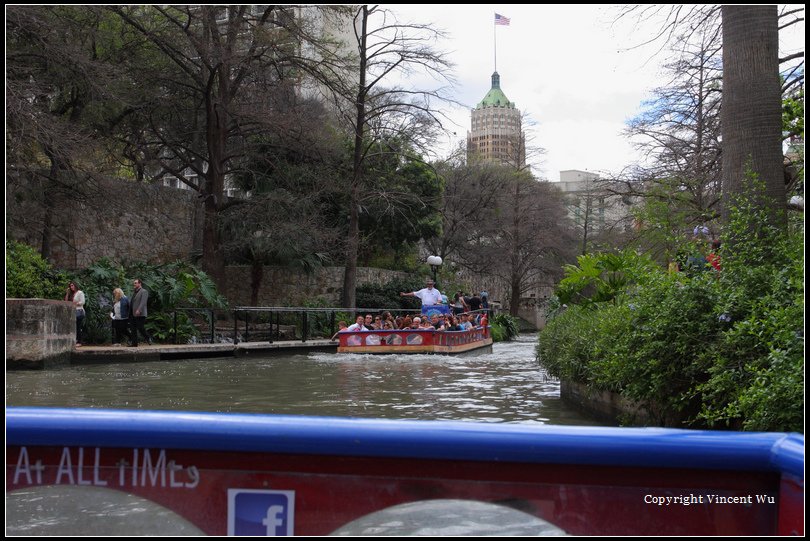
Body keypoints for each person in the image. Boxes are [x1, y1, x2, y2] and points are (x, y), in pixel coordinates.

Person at [129, 278, 152, 347]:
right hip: (132, 313)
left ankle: (148, 337)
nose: (134, 284)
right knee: (133, 329)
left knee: (140, 327)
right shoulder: (134, 292)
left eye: (136, 283)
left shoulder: (144, 291)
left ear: (140, 284)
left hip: (140, 313)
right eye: (134, 283)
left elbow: (143, 302)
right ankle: (134, 343)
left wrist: (139, 309)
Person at [65, 281, 86, 346]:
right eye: (70, 286)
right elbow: (66, 301)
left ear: (75, 285)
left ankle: (79, 341)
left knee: (78, 326)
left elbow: (83, 302)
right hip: (73, 312)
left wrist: (75, 304)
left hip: (79, 311)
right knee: (74, 326)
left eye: (72, 285)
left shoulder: (80, 292)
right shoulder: (71, 294)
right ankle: (76, 340)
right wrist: (67, 293)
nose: (71, 287)